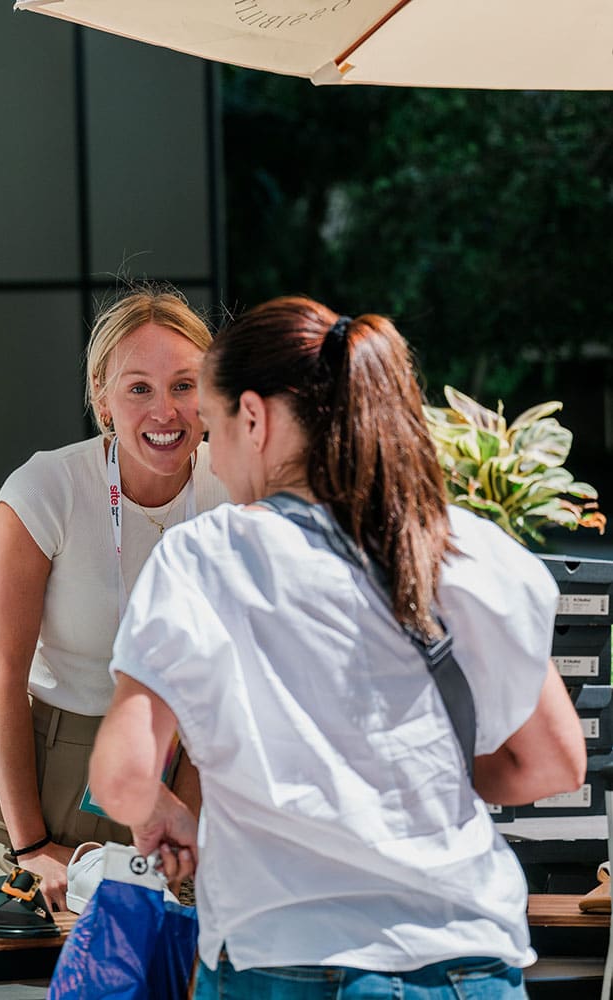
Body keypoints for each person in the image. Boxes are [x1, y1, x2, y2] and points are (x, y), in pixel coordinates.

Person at [89, 295, 586, 999]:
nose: (214, 461)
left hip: (286, 959)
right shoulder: (468, 549)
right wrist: (390, 786)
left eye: (213, 428)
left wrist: (160, 811)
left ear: (253, 419)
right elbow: (555, 761)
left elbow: (121, 776)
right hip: (469, 959)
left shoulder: (206, 556)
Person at [0, 285, 229, 912]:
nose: (165, 411)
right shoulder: (46, 489)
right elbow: (0, 674)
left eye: (183, 385)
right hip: (34, 767)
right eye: (139, 389)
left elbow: (223, 681)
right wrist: (31, 846)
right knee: (31, 962)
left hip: (170, 772)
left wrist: (185, 817)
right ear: (103, 399)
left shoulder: (233, 488)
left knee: (160, 959)